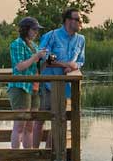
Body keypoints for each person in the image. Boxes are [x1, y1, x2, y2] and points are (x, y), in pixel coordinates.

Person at [34, 8, 85, 149]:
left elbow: (81, 60)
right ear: (68, 21)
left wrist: (74, 66)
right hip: (48, 85)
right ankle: (33, 154)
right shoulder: (52, 36)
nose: (80, 22)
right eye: (78, 19)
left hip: (66, 87)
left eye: (80, 19)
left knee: (59, 120)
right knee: (41, 119)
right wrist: (63, 64)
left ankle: (50, 153)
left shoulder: (81, 39)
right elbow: (43, 55)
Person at [7, 16, 48, 161]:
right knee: (19, 126)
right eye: (34, 29)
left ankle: (28, 159)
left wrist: (45, 60)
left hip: (34, 88)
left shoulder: (34, 45)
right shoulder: (16, 45)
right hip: (20, 87)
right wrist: (36, 57)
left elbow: (37, 68)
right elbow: (20, 67)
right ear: (26, 30)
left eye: (37, 30)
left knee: (30, 127)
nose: (36, 32)